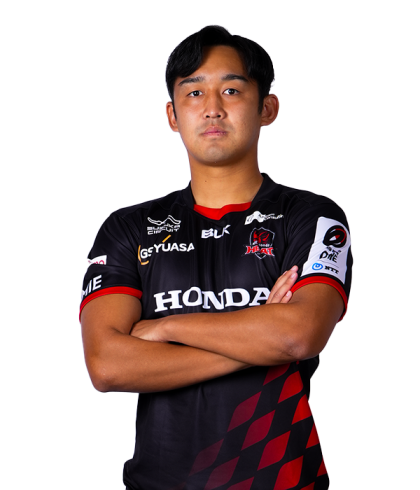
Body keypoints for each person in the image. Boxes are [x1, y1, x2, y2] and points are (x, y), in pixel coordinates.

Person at [79, 24, 353, 490]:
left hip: (282, 482)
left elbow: (298, 335)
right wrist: (258, 336)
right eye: (194, 92)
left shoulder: (311, 216)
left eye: (231, 90)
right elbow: (107, 365)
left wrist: (165, 328)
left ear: (268, 108)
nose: (212, 108)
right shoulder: (128, 227)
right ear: (172, 114)